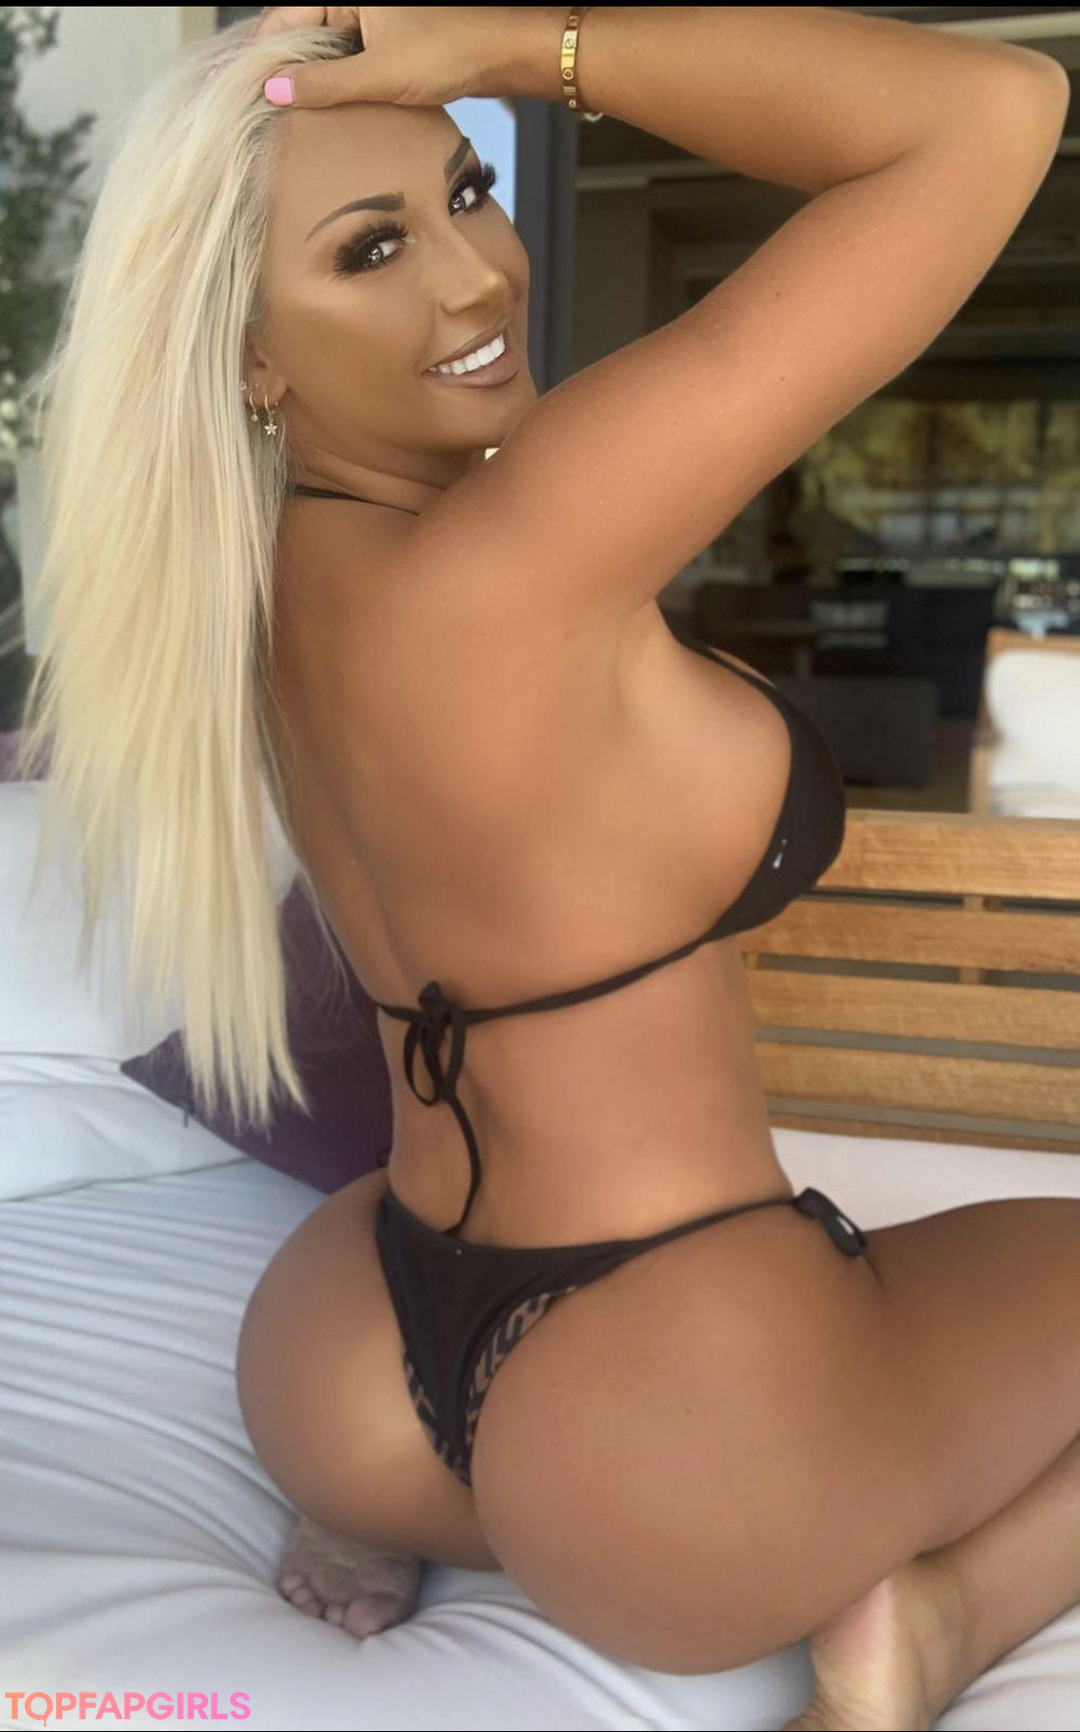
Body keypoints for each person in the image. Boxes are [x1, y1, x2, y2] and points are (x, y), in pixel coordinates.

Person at [6, 7, 1078, 1727]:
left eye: (465, 191)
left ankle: (394, 1521)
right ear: (252, 362)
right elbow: (990, 110)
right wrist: (516, 47)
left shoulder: (247, 598)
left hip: (351, 1364)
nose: (478, 278)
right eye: (371, 250)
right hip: (670, 1436)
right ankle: (940, 1627)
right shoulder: (531, 545)